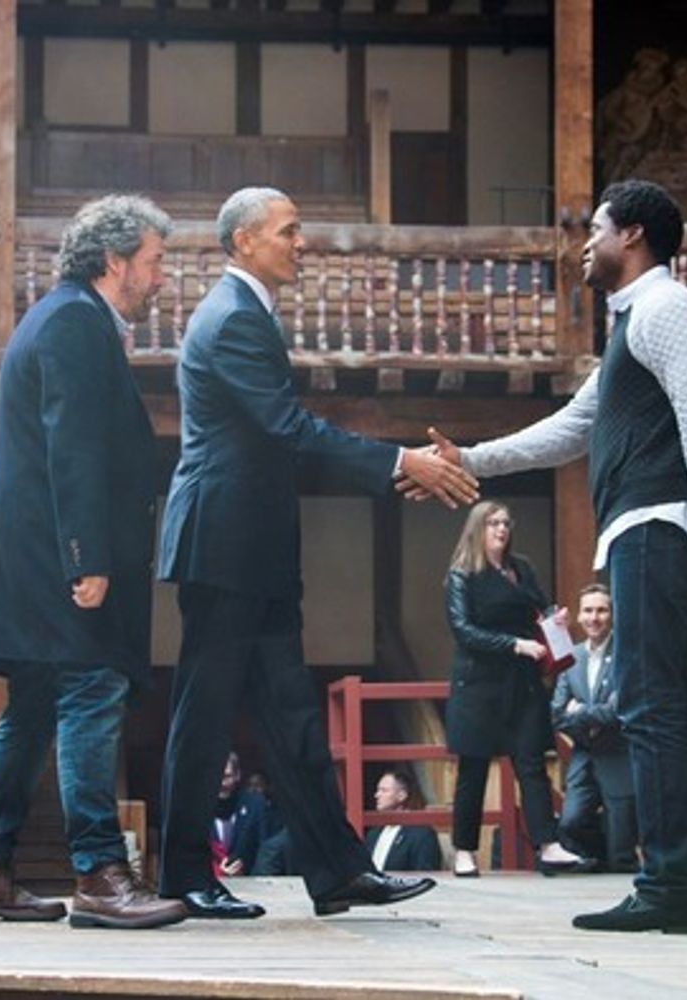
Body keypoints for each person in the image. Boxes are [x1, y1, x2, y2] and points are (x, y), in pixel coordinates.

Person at [156, 186, 475, 920]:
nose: (302, 243)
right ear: (243, 242)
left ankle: (337, 873)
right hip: (223, 543)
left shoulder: (247, 313)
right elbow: (287, 429)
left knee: (294, 716)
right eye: (289, 231)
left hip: (252, 546)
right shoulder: (233, 318)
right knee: (203, 716)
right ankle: (182, 878)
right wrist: (401, 463)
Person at [426, 178, 687, 933]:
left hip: (658, 525)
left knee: (651, 701)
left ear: (632, 236)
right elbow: (567, 429)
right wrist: (468, 459)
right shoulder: (632, 327)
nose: (583, 244)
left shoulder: (664, 308)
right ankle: (675, 879)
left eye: (594, 229)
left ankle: (667, 883)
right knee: (661, 700)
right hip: (645, 528)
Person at [0, 195, 186, 931]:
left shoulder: (64, 317)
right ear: (114, 261)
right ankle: (99, 873)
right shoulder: (76, 323)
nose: (161, 277)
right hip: (63, 555)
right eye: (154, 261)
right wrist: (89, 555)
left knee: (38, 705)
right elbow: (72, 445)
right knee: (91, 691)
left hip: (33, 555)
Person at [445, 501, 593, 878]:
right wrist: (515, 644)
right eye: (493, 523)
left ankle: (549, 844)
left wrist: (555, 619)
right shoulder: (462, 573)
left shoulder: (520, 568)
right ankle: (464, 849)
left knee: (531, 762)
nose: (501, 529)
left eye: (506, 523)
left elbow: (541, 609)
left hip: (522, 681)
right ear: (478, 529)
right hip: (479, 681)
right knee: (473, 766)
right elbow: (463, 630)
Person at [552, 583, 637, 873]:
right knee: (570, 822)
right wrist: (585, 718)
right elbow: (557, 714)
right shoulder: (571, 657)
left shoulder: (627, 654)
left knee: (621, 852)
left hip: (618, 756)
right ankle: (596, 859)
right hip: (584, 755)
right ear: (578, 615)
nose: (594, 617)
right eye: (588, 610)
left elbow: (618, 711)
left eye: (601, 610)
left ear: (612, 614)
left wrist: (579, 711)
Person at [365, 770, 442, 873]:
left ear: (401, 795)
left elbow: (425, 876)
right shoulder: (373, 833)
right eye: (378, 790)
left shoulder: (421, 834)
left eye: (384, 790)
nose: (377, 795)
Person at [210, 752, 272, 879]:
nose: (222, 783)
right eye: (216, 776)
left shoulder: (255, 805)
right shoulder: (198, 808)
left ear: (237, 775)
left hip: (249, 884)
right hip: (208, 886)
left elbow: (265, 848)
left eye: (227, 776)